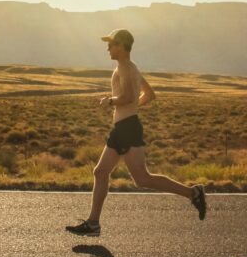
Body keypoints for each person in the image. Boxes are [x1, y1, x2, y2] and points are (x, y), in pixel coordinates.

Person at [66, 29, 207, 237]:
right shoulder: (132, 68)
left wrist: (111, 101)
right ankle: (93, 223)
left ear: (121, 46)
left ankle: (193, 193)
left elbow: (130, 95)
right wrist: (131, 108)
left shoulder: (125, 68)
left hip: (128, 129)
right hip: (122, 127)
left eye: (111, 44)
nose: (108, 48)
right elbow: (149, 95)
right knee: (100, 172)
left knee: (142, 179)